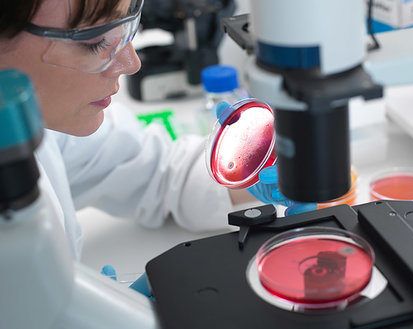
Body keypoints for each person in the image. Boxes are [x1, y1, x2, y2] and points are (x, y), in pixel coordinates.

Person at [0, 0, 312, 262]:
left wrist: (257, 169)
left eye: (125, 28)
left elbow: (159, 172)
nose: (131, 62)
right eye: (94, 41)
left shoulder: (47, 123)